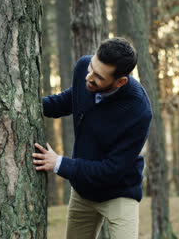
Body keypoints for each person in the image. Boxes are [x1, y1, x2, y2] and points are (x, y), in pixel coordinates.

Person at [32, 37, 152, 239]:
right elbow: (65, 102)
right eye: (91, 67)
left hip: (119, 193)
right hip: (83, 192)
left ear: (120, 81)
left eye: (98, 76)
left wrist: (59, 163)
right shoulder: (83, 69)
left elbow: (113, 170)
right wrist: (23, 103)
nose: (88, 77)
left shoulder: (138, 111)